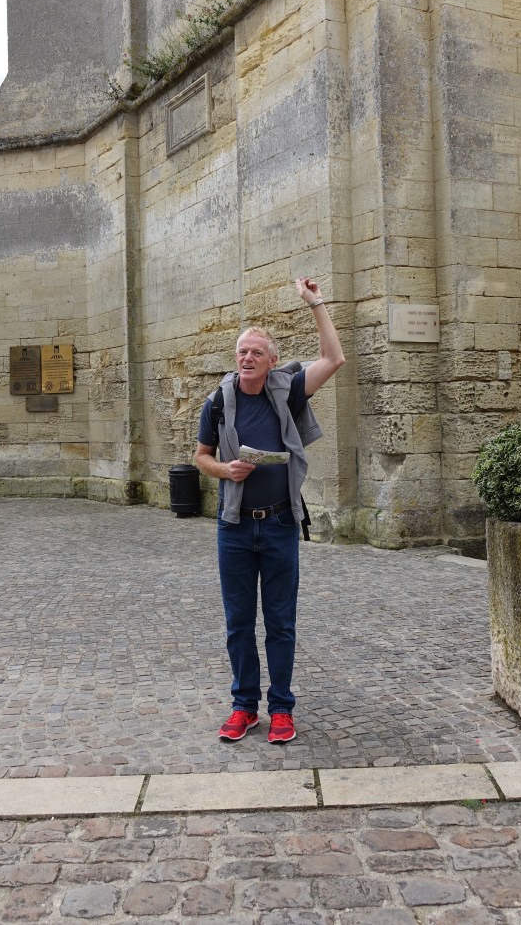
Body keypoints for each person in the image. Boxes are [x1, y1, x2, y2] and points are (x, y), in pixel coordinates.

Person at [194, 276, 345, 744]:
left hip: (280, 523)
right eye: (242, 351)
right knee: (239, 622)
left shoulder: (288, 391)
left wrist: (315, 303)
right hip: (234, 526)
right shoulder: (218, 402)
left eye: (256, 352)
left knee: (280, 622)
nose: (247, 358)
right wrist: (225, 470)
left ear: (272, 361)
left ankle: (281, 707)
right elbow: (200, 457)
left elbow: (333, 359)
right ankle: (244, 706)